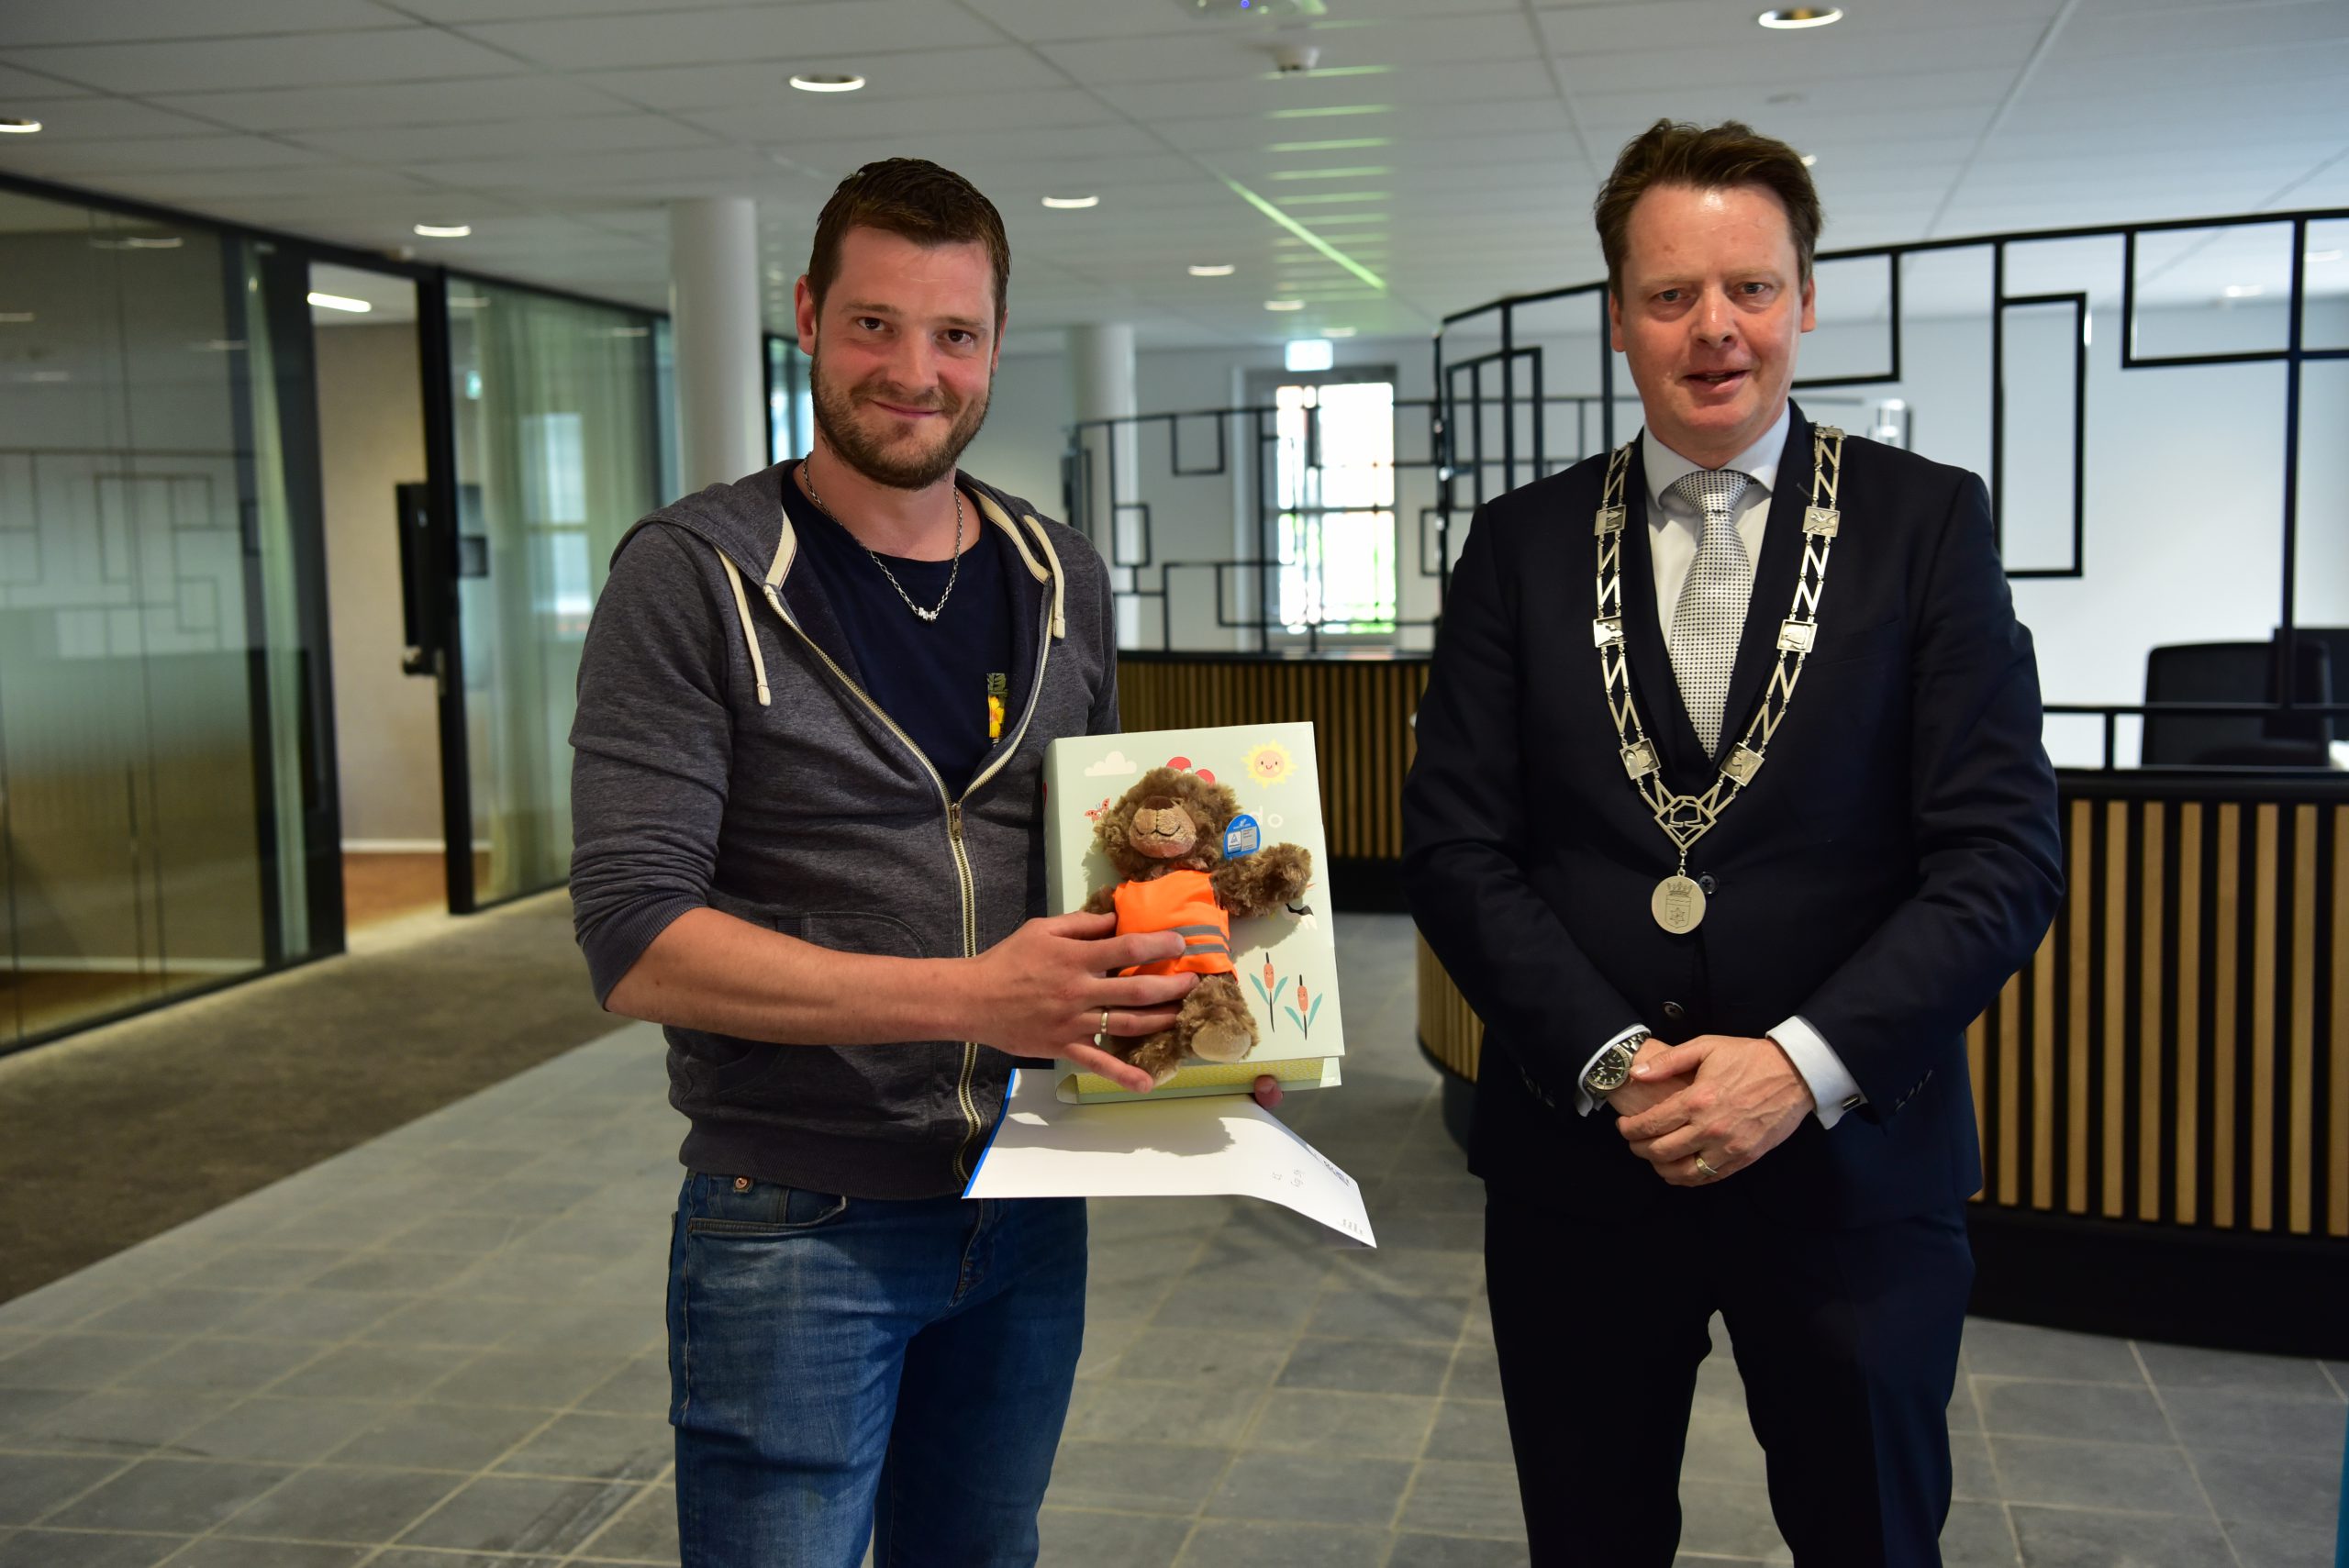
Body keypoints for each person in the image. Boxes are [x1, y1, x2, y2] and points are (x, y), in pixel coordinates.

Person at [569, 158, 1269, 1568]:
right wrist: (969, 998)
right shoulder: (697, 575)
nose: (914, 372)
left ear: (997, 344)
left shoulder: (1061, 574)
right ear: (807, 317)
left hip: (1027, 1197)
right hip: (799, 1220)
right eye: (874, 325)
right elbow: (636, 937)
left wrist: (1195, 1012)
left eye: (955, 333)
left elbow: (1100, 876)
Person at [1400, 120, 2064, 1567]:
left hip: (1852, 1167)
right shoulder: (1517, 545)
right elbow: (1454, 844)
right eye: (1671, 294)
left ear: (1804, 299)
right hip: (1586, 1161)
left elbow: (2003, 856)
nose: (1715, 328)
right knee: (1590, 1538)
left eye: (1751, 288)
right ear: (1618, 316)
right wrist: (1614, 1059)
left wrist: (1796, 1068)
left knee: (1871, 1538)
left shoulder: (1926, 526)